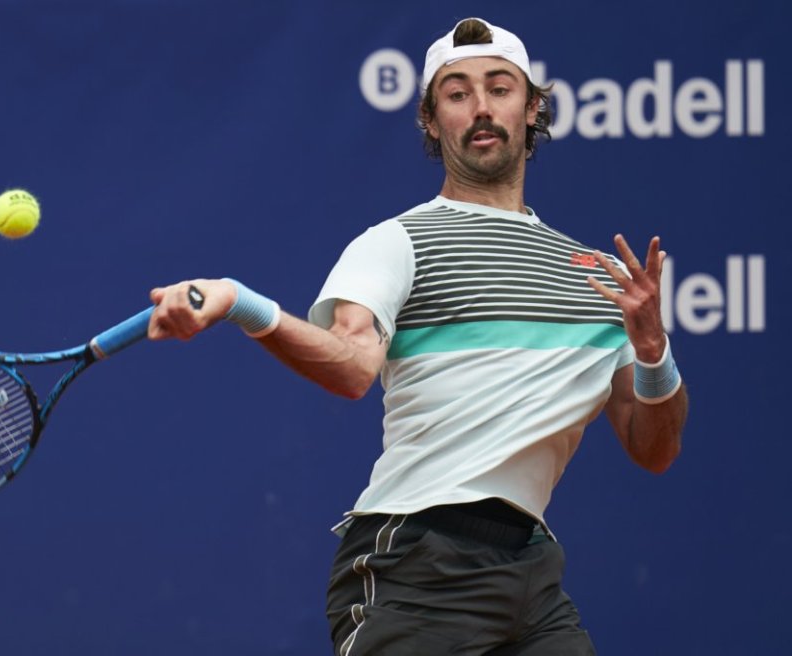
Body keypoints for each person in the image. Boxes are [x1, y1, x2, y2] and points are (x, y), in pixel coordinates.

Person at [147, 16, 688, 656]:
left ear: (533, 108)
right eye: (456, 94)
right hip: (416, 563)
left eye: (500, 88)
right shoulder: (396, 243)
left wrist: (653, 353)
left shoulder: (599, 281)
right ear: (433, 121)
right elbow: (350, 366)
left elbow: (653, 449)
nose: (481, 107)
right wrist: (242, 303)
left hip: (534, 578)